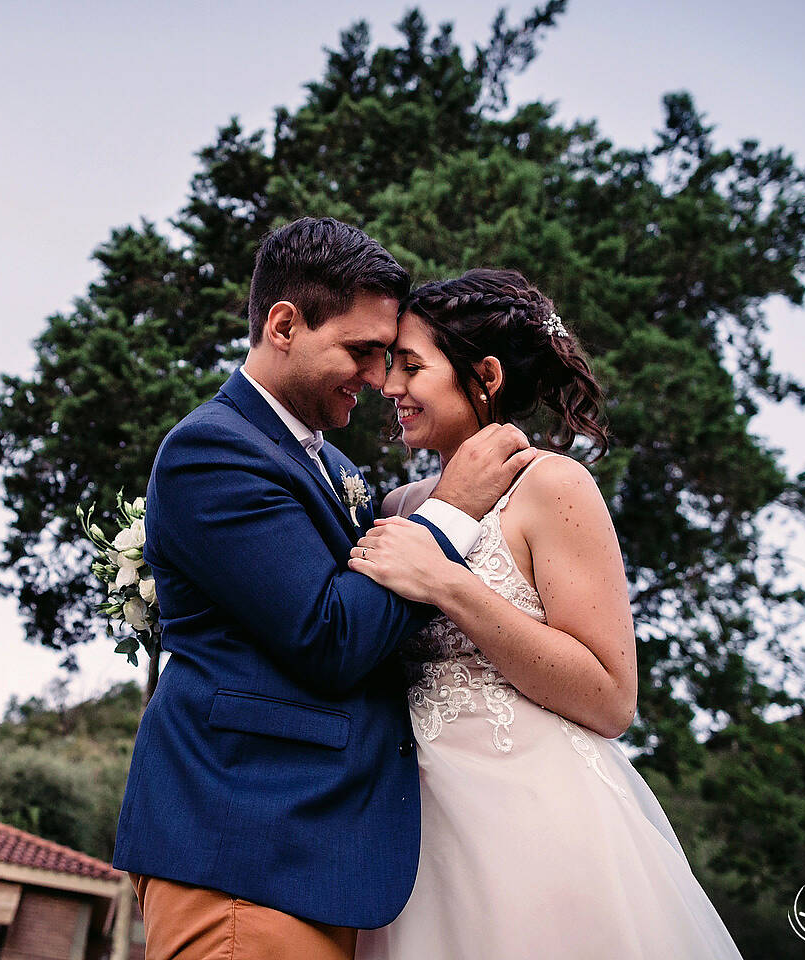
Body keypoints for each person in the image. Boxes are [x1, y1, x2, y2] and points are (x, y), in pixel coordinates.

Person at [112, 220, 535, 960]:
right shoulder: (212, 450)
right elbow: (331, 636)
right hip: (246, 847)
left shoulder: (332, 465)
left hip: (318, 853)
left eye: (387, 354)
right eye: (361, 350)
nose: (377, 377)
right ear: (284, 325)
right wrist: (452, 509)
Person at [351, 269, 744, 960]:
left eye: (411, 366)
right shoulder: (397, 508)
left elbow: (610, 697)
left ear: (486, 375)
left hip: (537, 822)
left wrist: (448, 583)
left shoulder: (553, 485)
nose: (389, 386)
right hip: (418, 838)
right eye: (389, 366)